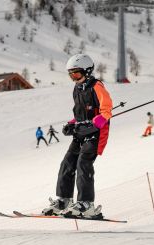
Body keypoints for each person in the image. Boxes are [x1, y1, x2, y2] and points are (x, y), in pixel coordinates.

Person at [42, 54, 113, 218]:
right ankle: (64, 200)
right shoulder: (77, 88)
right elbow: (80, 113)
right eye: (71, 75)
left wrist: (93, 125)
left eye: (77, 74)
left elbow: (106, 111)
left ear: (87, 71)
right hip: (81, 132)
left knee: (83, 164)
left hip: (96, 134)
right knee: (67, 163)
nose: (74, 78)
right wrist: (72, 123)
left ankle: (86, 204)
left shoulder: (97, 87)